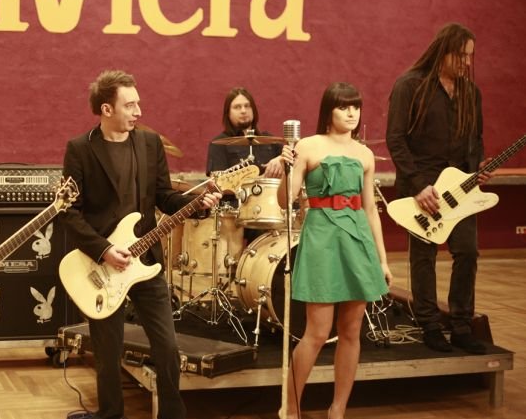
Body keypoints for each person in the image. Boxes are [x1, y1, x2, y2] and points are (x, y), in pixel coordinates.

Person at [60, 69, 221, 419]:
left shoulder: (149, 144)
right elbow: (69, 213)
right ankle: (111, 414)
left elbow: (164, 196)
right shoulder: (80, 149)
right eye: (130, 105)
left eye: (138, 103)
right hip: (101, 265)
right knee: (108, 351)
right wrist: (104, 250)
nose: (139, 112)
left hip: (145, 260)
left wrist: (197, 206)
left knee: (167, 346)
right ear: (106, 109)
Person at [280, 82, 392, 419]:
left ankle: (338, 409)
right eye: (344, 106)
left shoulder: (365, 154)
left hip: (357, 240)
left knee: (352, 331)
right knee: (316, 333)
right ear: (328, 111)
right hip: (322, 239)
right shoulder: (307, 145)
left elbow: (370, 210)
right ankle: (290, 409)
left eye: (356, 106)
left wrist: (383, 260)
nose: (352, 113)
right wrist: (286, 169)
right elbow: (285, 201)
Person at [386, 22, 491, 354]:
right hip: (422, 187)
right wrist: (418, 185)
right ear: (442, 51)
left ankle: (461, 326)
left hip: (461, 189)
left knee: (467, 252)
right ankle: (429, 325)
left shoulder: (471, 93)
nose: (466, 63)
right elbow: (395, 139)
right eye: (461, 55)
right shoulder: (409, 85)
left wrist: (477, 169)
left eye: (470, 56)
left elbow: (475, 139)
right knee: (424, 257)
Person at [206, 87, 285, 177]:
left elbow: (294, 157)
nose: (243, 111)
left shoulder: (270, 140)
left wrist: (281, 159)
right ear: (228, 113)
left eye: (247, 106)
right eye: (237, 107)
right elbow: (217, 181)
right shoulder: (218, 144)